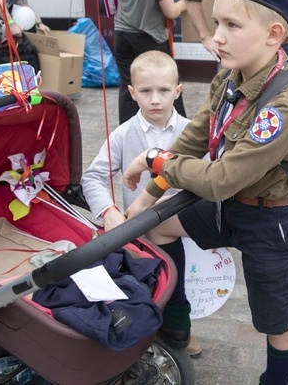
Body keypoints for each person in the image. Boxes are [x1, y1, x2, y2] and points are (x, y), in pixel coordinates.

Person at [119, 0, 288, 385]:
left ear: (273, 34)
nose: (217, 36)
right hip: (232, 208)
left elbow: (219, 178)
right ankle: (177, 328)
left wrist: (153, 159)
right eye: (215, 22)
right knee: (158, 229)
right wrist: (147, 199)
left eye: (231, 24)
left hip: (276, 222)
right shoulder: (230, 77)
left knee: (276, 324)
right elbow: (192, 141)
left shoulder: (286, 104)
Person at [79, 50, 201, 356]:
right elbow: (93, 177)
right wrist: (108, 212)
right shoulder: (122, 135)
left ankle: (179, 332)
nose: (155, 100)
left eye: (163, 91)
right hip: (137, 233)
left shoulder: (191, 133)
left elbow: (209, 175)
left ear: (178, 90)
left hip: (182, 227)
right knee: (142, 283)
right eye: (146, 91)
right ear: (132, 93)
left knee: (181, 281)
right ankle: (145, 332)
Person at [112, 0, 186, 125]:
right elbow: (171, 11)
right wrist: (186, 2)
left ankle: (128, 130)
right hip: (149, 40)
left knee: (130, 86)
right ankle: (177, 128)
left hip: (122, 37)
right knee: (165, 83)